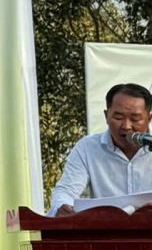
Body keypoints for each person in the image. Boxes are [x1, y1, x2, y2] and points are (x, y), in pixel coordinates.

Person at [52, 83, 152, 215]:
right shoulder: (88, 148)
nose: (126, 126)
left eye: (135, 119)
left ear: (149, 119)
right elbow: (66, 191)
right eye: (118, 118)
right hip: (106, 226)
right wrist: (63, 207)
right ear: (106, 116)